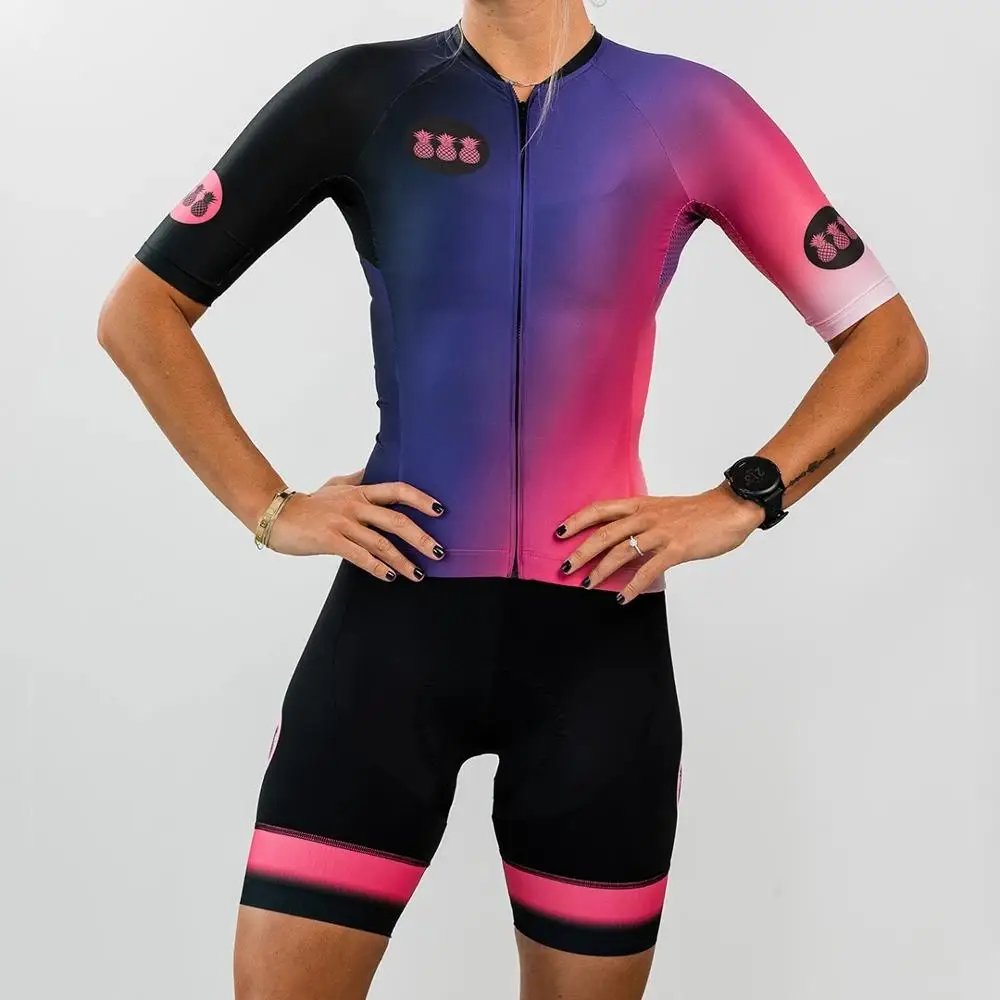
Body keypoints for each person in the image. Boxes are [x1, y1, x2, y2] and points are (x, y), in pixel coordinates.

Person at [97, 1, 928, 997]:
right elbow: (141, 310)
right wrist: (269, 507)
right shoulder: (362, 91)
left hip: (597, 652)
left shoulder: (688, 108)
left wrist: (743, 497)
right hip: (391, 633)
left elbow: (886, 341)